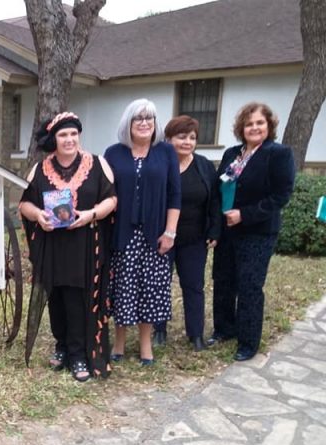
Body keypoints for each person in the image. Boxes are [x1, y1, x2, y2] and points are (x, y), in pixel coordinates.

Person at [19, 112, 117, 381]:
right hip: (52, 244)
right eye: (63, 134)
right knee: (56, 298)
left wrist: (90, 215)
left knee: (77, 299)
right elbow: (24, 204)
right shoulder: (39, 170)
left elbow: (112, 200)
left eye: (74, 134)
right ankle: (61, 345)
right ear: (54, 138)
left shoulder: (97, 164)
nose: (69, 139)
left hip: (83, 245)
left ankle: (78, 355)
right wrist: (38, 215)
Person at [210, 102, 295, 361]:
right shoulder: (232, 153)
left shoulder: (278, 154)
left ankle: (247, 342)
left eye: (260, 123)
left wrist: (244, 215)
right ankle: (225, 329)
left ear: (268, 126)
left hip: (257, 231)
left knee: (249, 285)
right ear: (241, 128)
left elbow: (281, 195)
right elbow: (218, 189)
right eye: (249, 123)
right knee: (223, 280)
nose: (254, 127)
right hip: (227, 230)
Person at [104, 98, 181, 365]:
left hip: (155, 235)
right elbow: (105, 192)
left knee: (150, 289)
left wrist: (170, 232)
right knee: (123, 287)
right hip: (122, 234)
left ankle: (146, 343)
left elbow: (175, 194)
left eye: (150, 118)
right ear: (128, 123)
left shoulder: (166, 152)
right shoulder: (113, 153)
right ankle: (120, 341)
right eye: (139, 118)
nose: (145, 123)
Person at [152, 116, 221, 351]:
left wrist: (214, 229)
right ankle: (159, 329)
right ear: (169, 139)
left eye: (192, 138)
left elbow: (214, 200)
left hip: (195, 238)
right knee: (159, 284)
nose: (187, 142)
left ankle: (196, 334)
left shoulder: (204, 165)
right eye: (182, 137)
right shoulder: (159, 164)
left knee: (193, 285)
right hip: (162, 238)